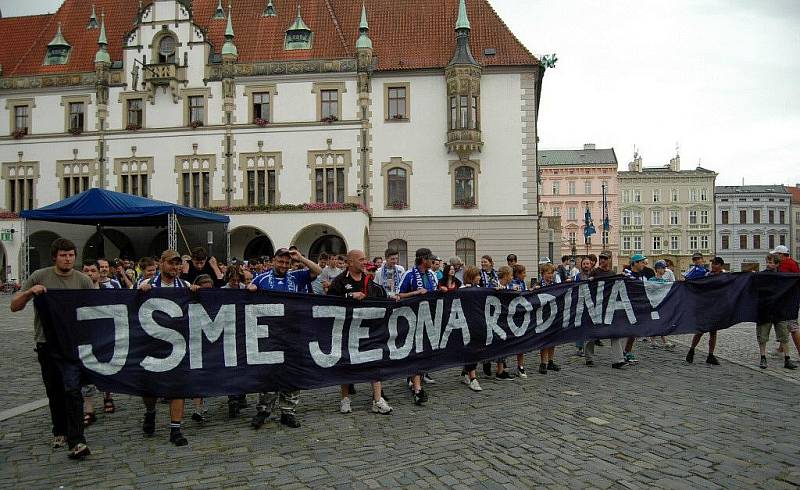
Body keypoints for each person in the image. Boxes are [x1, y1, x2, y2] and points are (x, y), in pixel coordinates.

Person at [10, 238, 94, 459]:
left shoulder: (83, 280)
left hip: (72, 344)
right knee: (54, 390)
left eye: (71, 255)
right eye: (63, 255)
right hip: (46, 342)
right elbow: (14, 306)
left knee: (72, 389)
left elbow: (98, 309)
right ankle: (59, 430)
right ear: (55, 257)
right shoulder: (40, 276)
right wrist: (30, 293)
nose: (67, 259)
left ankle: (77, 440)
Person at [248, 248, 322, 429]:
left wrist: (300, 258)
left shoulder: (296, 277)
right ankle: (264, 409)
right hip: (270, 334)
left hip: (294, 332)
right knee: (269, 373)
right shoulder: (262, 278)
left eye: (287, 263)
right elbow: (249, 293)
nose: (283, 265)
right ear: (274, 261)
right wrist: (249, 289)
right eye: (280, 262)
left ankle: (288, 411)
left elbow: (318, 271)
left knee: (292, 372)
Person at [138, 250, 195, 446]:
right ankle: (150, 411)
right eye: (171, 263)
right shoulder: (146, 285)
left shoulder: (185, 285)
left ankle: (175, 429)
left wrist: (198, 294)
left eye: (178, 264)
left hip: (177, 344)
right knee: (149, 389)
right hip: (151, 343)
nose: (175, 267)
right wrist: (140, 294)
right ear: (161, 263)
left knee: (177, 387)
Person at [327, 249, 393, 415]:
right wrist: (350, 296)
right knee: (346, 363)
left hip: (367, 328)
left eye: (365, 259)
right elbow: (329, 302)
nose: (365, 262)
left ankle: (377, 400)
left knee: (374, 361)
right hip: (347, 329)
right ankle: (345, 399)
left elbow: (377, 298)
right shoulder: (339, 281)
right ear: (350, 262)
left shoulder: (368, 279)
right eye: (361, 259)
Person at [398, 248, 439, 405]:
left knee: (425, 350)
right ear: (424, 260)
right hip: (413, 318)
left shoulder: (432, 275)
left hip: (429, 317)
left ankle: (417, 377)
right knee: (416, 349)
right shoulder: (409, 275)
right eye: (430, 259)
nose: (433, 262)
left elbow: (434, 291)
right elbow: (399, 294)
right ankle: (417, 387)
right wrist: (415, 293)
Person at [756, 254, 797, 370]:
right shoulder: (761, 276)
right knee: (762, 336)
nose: (769, 264)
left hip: (779, 310)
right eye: (768, 262)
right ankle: (763, 358)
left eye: (771, 262)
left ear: (777, 264)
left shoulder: (783, 276)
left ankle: (787, 359)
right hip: (764, 310)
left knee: (784, 336)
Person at [587, 251, 627, 369]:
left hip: (609, 306)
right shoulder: (595, 271)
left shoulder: (612, 273)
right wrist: (591, 279)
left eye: (605, 258)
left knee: (614, 332)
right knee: (592, 332)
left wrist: (622, 278)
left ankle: (618, 359)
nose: (602, 260)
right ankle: (589, 357)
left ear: (609, 259)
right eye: (601, 258)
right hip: (596, 306)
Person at [685, 256, 725, 366]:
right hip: (705, 306)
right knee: (700, 331)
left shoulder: (724, 276)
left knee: (713, 332)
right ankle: (692, 350)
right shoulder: (707, 274)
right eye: (713, 264)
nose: (713, 266)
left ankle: (710, 355)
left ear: (721, 265)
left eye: (716, 264)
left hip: (716, 307)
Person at [770, 246, 800, 359]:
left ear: (781, 255)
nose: (775, 257)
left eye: (776, 254)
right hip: (791, 298)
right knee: (785, 325)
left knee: (793, 327)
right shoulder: (793, 262)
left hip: (788, 300)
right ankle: (781, 350)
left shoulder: (784, 265)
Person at [458, 266, 483, 392]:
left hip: (478, 322)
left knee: (476, 349)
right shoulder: (462, 290)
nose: (479, 277)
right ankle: (473, 377)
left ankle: (465, 373)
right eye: (477, 275)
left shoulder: (479, 289)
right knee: (471, 349)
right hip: (466, 323)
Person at [535, 263, 560, 374]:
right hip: (542, 315)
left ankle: (550, 361)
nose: (550, 275)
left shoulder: (555, 284)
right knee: (544, 340)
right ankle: (543, 362)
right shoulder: (539, 284)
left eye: (551, 273)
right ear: (543, 274)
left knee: (553, 339)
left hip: (553, 314)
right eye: (548, 273)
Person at [647, 261, 676, 350]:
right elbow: (649, 292)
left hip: (661, 305)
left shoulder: (664, 281)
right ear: (658, 269)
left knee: (659, 323)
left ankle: (654, 341)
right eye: (663, 268)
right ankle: (663, 342)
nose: (664, 270)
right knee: (657, 323)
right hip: (654, 305)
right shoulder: (651, 280)